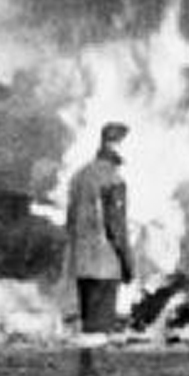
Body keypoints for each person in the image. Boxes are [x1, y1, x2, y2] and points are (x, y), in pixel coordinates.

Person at [66, 122, 133, 335]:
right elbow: (116, 229)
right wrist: (128, 264)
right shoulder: (114, 180)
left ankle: (86, 367)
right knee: (100, 333)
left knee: (88, 329)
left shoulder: (79, 177)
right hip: (106, 267)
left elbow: (70, 222)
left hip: (82, 265)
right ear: (117, 146)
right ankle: (93, 368)